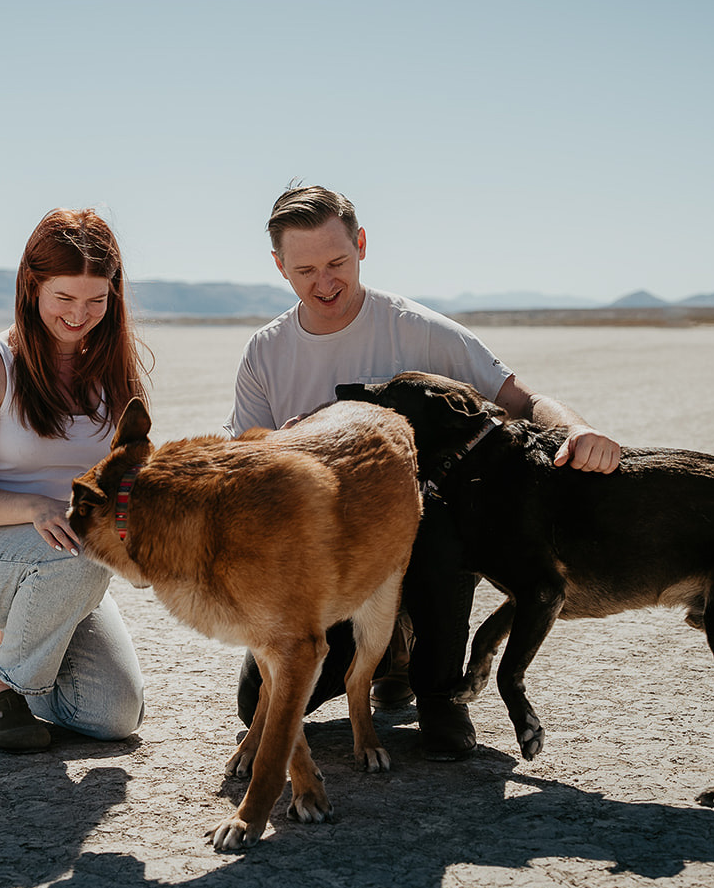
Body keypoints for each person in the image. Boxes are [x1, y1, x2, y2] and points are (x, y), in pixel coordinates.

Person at [226, 185, 621, 761]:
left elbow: (519, 397)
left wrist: (578, 429)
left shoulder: (417, 329)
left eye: (337, 262)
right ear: (279, 266)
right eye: (305, 269)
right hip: (328, 557)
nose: (325, 282)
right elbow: (243, 468)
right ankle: (391, 655)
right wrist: (285, 450)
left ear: (361, 245)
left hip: (426, 538)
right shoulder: (266, 352)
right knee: (253, 703)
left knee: (440, 521)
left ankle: (439, 692)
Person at [0, 208, 148, 753]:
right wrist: (33, 508)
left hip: (69, 561)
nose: (80, 315)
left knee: (114, 718)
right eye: (64, 298)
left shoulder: (114, 371)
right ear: (32, 285)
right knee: (80, 550)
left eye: (97, 300)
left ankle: (21, 649)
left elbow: (126, 476)